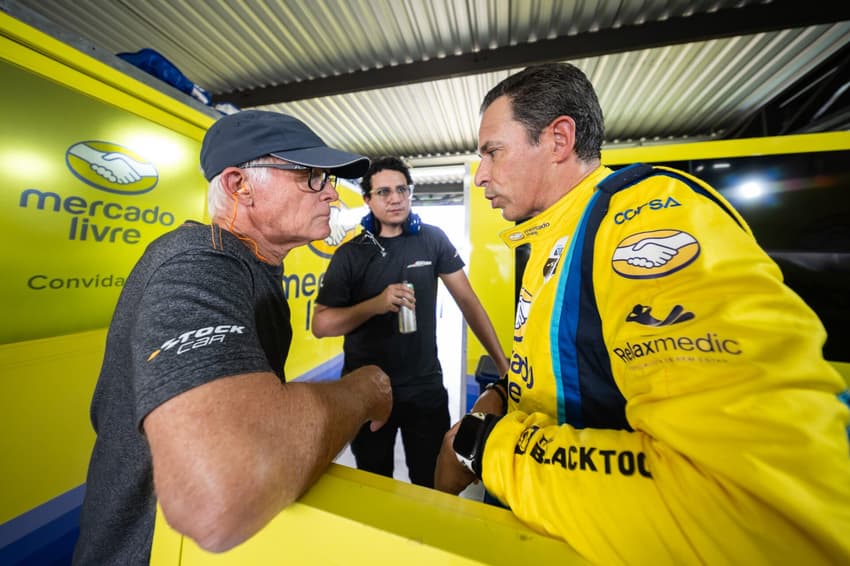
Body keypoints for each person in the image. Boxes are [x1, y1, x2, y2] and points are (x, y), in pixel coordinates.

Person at [434, 63, 850, 564]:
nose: (480, 175)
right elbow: (572, 373)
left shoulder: (644, 215)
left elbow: (757, 505)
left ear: (559, 139)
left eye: (492, 152)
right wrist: (500, 397)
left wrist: (489, 448)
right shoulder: (553, 237)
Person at [72, 110, 393, 565]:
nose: (333, 196)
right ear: (239, 184)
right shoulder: (198, 263)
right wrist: (365, 391)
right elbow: (222, 496)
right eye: (314, 177)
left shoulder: (252, 269)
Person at [311, 156, 509, 488]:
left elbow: (468, 302)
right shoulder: (350, 254)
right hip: (366, 393)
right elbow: (322, 324)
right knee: (375, 484)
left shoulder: (433, 240)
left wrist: (504, 368)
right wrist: (375, 305)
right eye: (384, 191)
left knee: (431, 481)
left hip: (425, 389)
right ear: (368, 200)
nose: (396, 198)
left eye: (402, 189)